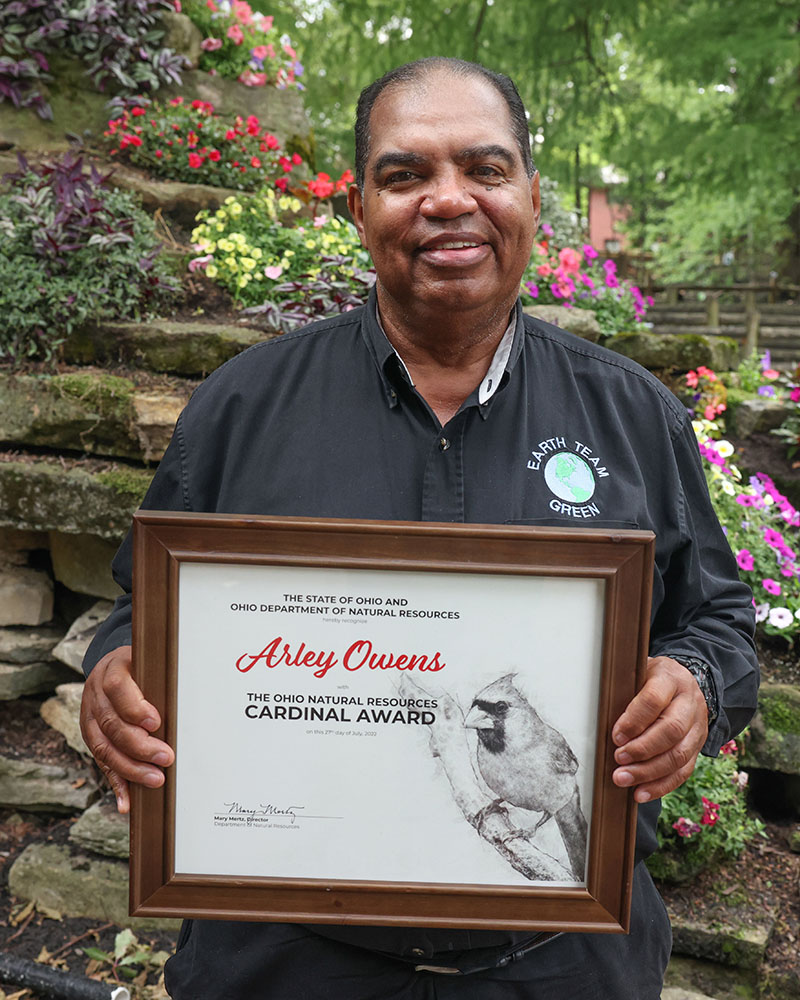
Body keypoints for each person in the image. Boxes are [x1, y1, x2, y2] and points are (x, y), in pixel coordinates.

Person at [81, 57, 759, 999]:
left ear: (531, 197)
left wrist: (694, 689)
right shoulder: (242, 408)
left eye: (485, 169)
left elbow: (719, 621)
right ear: (358, 209)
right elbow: (143, 611)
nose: (449, 200)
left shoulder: (632, 418)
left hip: (561, 963)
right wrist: (114, 676)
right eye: (405, 175)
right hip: (286, 958)